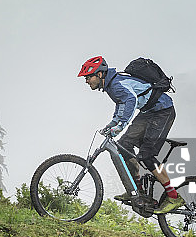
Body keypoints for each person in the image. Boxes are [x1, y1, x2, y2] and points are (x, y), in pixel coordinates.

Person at [78, 56, 183, 214]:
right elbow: (121, 103)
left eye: (88, 76)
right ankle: (136, 192)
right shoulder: (112, 85)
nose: (86, 81)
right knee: (124, 145)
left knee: (146, 155)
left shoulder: (116, 84)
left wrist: (120, 126)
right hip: (149, 112)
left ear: (99, 75)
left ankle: (174, 196)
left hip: (163, 111)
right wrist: (113, 123)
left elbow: (131, 100)